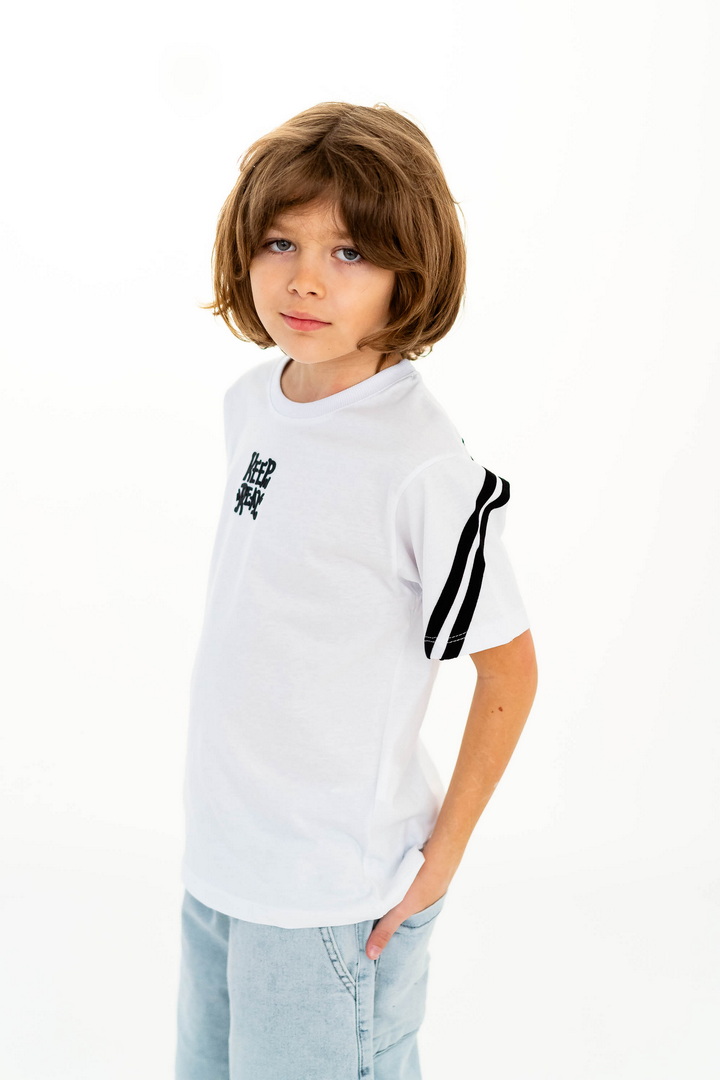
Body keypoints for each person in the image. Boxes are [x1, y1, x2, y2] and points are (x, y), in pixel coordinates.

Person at [175, 101, 538, 1080]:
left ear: (407, 275)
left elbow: (509, 666)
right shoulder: (252, 403)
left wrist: (439, 863)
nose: (303, 278)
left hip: (333, 898)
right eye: (281, 242)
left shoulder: (422, 466)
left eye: (349, 253)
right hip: (223, 869)